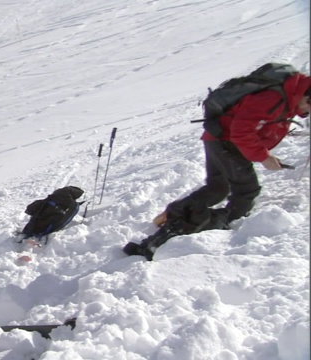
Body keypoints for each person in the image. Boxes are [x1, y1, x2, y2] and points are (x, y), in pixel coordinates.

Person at [125, 70, 311, 260]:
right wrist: (263, 157)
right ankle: (201, 229)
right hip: (227, 142)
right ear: (306, 95)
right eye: (308, 107)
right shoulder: (273, 97)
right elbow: (241, 131)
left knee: (218, 188)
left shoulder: (289, 93)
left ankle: (177, 214)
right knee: (246, 192)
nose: (305, 113)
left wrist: (265, 153)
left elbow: (256, 125)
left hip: (218, 138)